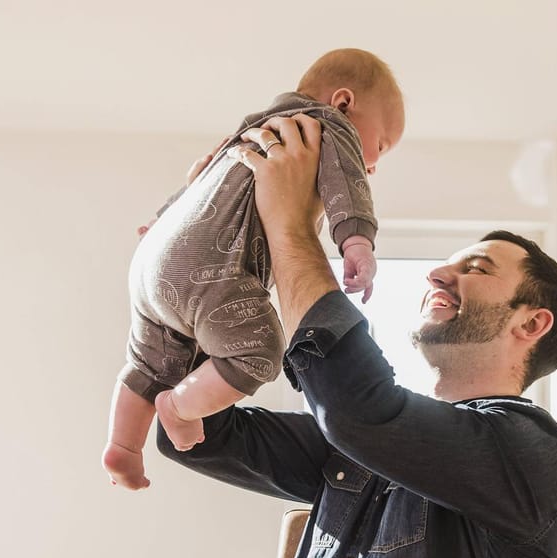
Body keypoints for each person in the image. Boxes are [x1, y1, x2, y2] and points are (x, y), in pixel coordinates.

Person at [157, 114, 557, 558]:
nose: (437, 274)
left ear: (531, 325)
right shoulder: (366, 445)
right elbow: (197, 434)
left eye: (476, 269)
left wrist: (289, 227)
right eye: (446, 264)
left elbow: (357, 408)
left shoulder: (529, 450)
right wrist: (208, 252)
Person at [102, 49, 407, 490]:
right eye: (380, 146)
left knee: (148, 362)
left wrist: (162, 220)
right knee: (258, 352)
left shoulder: (252, 129)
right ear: (343, 103)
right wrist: (357, 241)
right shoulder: (328, 124)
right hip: (208, 268)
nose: (373, 164)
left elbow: (201, 181)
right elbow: (349, 188)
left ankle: (123, 445)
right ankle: (179, 408)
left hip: (153, 261)